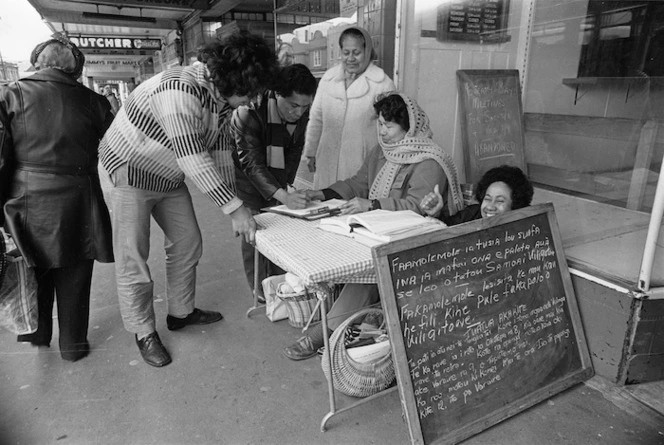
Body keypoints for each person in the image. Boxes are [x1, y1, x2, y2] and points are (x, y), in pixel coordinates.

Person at [98, 31, 279, 368]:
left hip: (166, 174)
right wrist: (235, 209)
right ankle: (143, 331)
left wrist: (237, 206)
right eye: (249, 93)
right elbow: (194, 158)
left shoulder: (220, 98)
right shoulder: (180, 89)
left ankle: (180, 312)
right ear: (232, 79)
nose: (252, 102)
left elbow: (220, 152)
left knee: (188, 241)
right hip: (127, 171)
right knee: (133, 256)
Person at [283, 92, 465, 360]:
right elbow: (359, 184)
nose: (383, 131)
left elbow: (416, 207)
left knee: (369, 267)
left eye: (389, 126)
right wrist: (319, 194)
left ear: (410, 127)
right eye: (380, 124)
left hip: (411, 242)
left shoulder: (429, 160)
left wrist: (372, 206)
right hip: (375, 231)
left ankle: (325, 331)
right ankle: (341, 318)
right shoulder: (380, 152)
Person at [0, 35, 115, 362]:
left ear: (37, 63)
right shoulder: (96, 102)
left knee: (33, 269)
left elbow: (1, 158)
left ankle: (37, 333)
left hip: (26, 202)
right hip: (81, 200)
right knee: (76, 275)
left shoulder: (11, 95)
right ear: (76, 69)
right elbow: (113, 149)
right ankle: (73, 346)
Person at [230, 63, 317, 302]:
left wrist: (285, 187)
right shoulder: (249, 112)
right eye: (293, 106)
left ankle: (280, 281)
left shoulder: (301, 112)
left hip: (276, 174)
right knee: (253, 229)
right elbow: (251, 164)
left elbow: (295, 148)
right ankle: (259, 289)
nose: (299, 113)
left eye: (305, 107)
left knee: (279, 227)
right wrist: (284, 196)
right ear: (278, 93)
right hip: (246, 176)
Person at [302, 26, 395, 189]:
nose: (350, 58)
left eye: (356, 52)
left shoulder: (382, 84)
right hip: (327, 159)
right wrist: (310, 151)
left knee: (351, 202)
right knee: (325, 201)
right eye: (346, 52)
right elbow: (316, 118)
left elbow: (391, 128)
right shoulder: (328, 79)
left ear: (367, 51)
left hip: (361, 162)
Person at [420, 165, 534, 225]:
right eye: (487, 198)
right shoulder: (471, 215)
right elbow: (446, 228)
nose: (490, 206)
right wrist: (435, 214)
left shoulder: (527, 227)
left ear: (516, 205)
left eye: (499, 201)